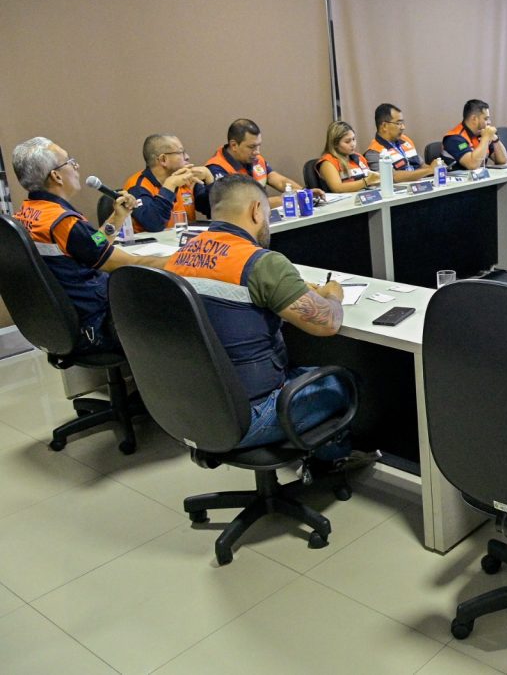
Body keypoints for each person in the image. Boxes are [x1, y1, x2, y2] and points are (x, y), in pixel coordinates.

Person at [162, 174, 351, 462]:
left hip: (192, 408)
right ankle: (333, 465)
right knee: (344, 382)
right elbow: (328, 323)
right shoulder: (260, 262)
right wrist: (333, 295)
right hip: (248, 413)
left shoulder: (179, 257)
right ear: (256, 210)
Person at [10, 137, 175, 353]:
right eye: (70, 161)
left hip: (65, 321)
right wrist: (180, 260)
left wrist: (117, 217)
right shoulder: (64, 223)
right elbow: (127, 263)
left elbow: (91, 245)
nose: (76, 166)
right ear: (56, 176)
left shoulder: (28, 212)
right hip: (97, 324)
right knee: (176, 301)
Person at [206, 118, 317, 208]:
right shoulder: (217, 167)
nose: (257, 152)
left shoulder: (255, 159)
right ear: (234, 145)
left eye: (259, 145)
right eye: (252, 147)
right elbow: (244, 205)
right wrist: (285, 199)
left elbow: (280, 182)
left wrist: (304, 193)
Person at [123, 134, 213, 232]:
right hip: (152, 241)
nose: (187, 157)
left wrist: (210, 181)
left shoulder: (187, 179)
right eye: (181, 152)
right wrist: (170, 185)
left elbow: (214, 211)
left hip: (186, 239)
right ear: (163, 159)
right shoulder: (138, 187)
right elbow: (154, 224)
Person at [363, 103, 442, 182]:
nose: (403, 127)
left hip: (421, 185)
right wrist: (429, 170)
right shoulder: (374, 152)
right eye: (398, 123)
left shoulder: (406, 140)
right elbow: (393, 177)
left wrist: (437, 168)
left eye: (402, 123)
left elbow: (421, 165)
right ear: (384, 126)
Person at [442, 99, 507, 170]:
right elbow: (472, 165)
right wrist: (485, 138)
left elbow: (502, 161)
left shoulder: (482, 133)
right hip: (458, 177)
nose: (489, 122)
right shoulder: (454, 138)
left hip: (480, 177)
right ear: (474, 119)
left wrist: (495, 139)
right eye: (486, 119)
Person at [316, 121, 380, 193]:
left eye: (353, 139)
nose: (353, 144)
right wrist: (366, 182)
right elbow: (337, 188)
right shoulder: (328, 162)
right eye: (347, 141)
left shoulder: (359, 157)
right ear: (335, 144)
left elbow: (371, 180)